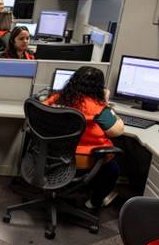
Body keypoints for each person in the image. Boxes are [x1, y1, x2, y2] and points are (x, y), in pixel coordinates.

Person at [44, 66, 124, 209]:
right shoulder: (97, 107)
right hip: (82, 158)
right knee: (113, 170)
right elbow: (117, 131)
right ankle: (94, 202)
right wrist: (105, 103)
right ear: (99, 87)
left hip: (50, 153)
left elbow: (40, 112)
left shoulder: (57, 98)